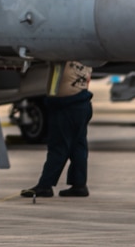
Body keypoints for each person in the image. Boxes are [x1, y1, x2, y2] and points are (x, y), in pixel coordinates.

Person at [21, 61, 92, 198]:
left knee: (58, 146)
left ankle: (45, 186)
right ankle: (79, 185)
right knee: (78, 146)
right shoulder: (86, 56)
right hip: (82, 103)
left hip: (66, 106)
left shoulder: (62, 54)